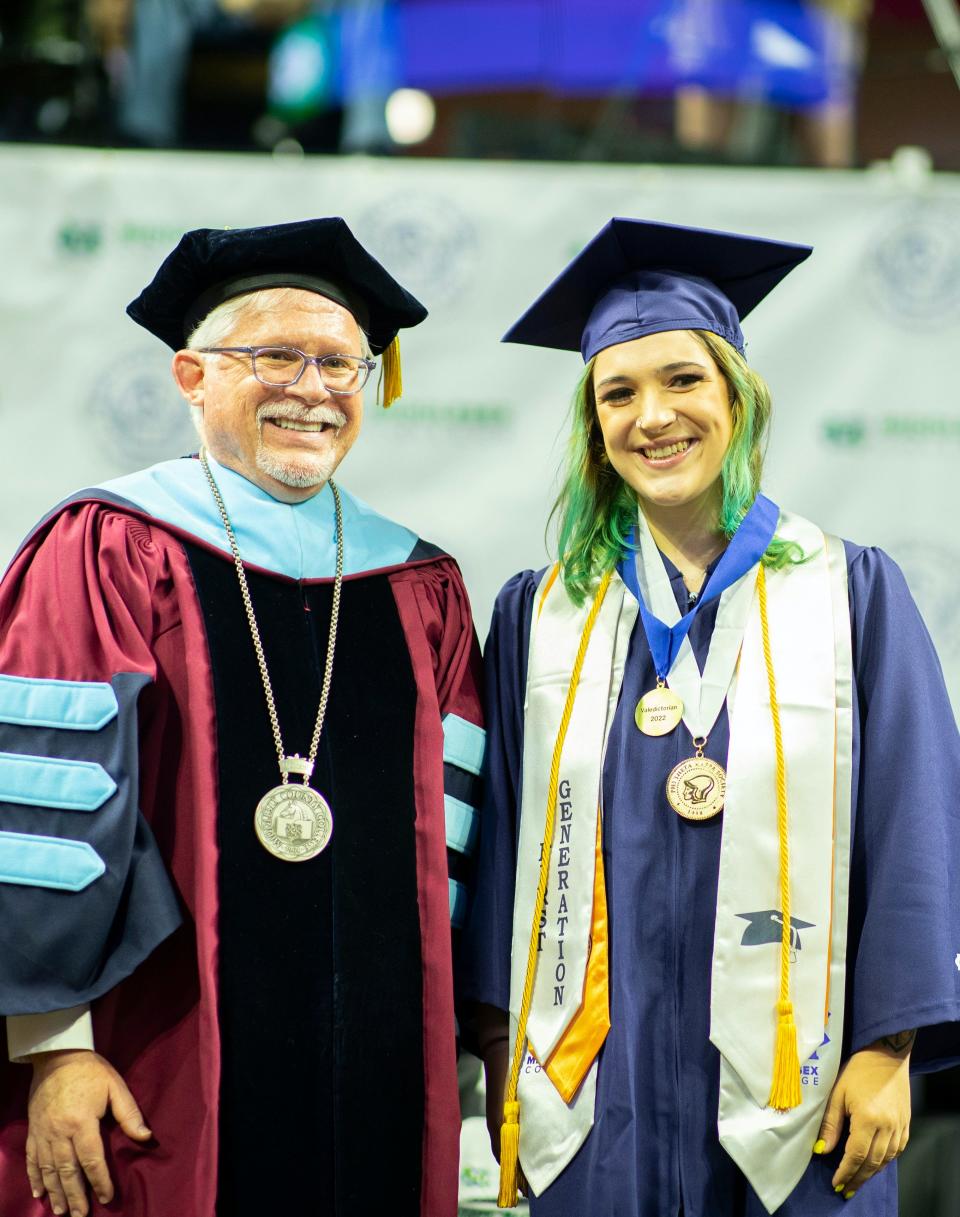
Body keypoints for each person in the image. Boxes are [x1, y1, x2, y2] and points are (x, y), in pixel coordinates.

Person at [458, 218, 960, 1217]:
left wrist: (889, 1045)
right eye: (620, 391)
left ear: (737, 395)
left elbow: (917, 828)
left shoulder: (849, 592)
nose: (655, 415)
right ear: (594, 422)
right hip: (595, 1094)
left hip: (806, 1093)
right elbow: (505, 837)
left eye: (684, 380)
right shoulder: (540, 612)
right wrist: (499, 1037)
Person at [0, 217, 484, 1217]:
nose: (314, 388)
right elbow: (36, 816)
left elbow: (456, 843)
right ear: (191, 377)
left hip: (384, 1071)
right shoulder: (107, 547)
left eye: (343, 364)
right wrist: (52, 1048)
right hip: (149, 1060)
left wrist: (455, 1044)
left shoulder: (421, 584)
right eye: (275, 355)